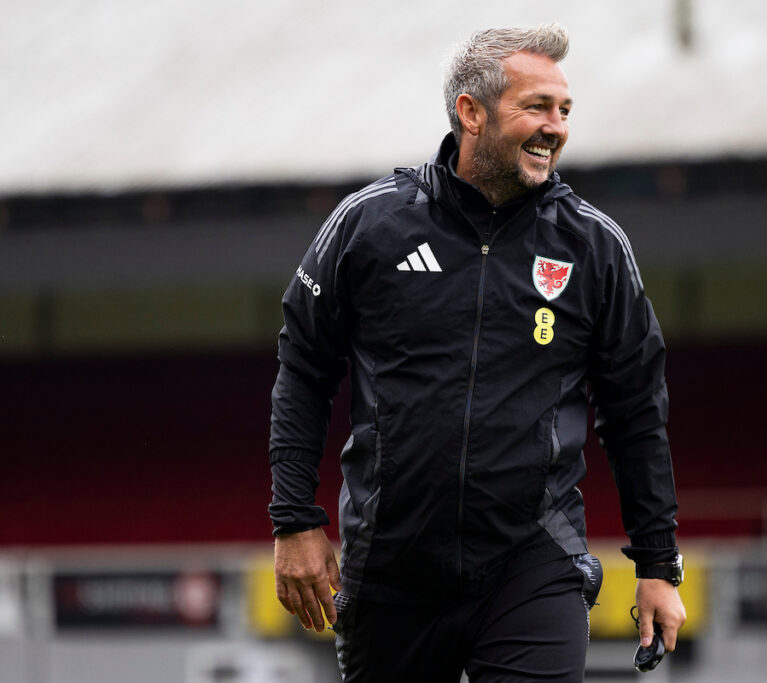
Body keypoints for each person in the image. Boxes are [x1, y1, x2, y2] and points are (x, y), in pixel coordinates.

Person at [268, 23, 686, 682]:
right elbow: (303, 371)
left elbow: (635, 411)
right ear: (471, 111)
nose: (556, 127)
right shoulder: (368, 225)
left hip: (531, 560)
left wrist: (659, 566)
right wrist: (294, 520)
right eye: (537, 107)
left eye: (565, 110)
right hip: (391, 566)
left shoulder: (594, 247)